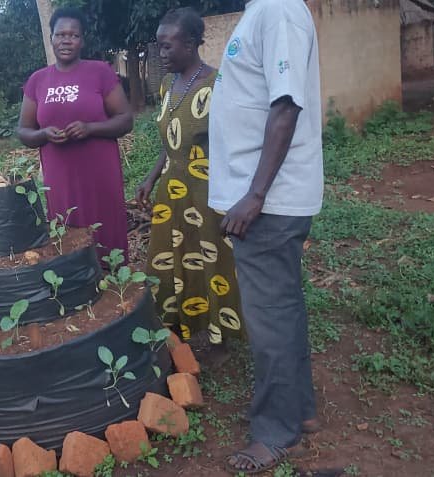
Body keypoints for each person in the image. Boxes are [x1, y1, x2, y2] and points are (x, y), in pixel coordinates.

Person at [207, 0, 324, 473]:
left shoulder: (278, 11)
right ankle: (302, 411)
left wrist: (254, 195)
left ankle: (277, 433)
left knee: (270, 319)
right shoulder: (262, 10)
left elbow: (286, 104)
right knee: (284, 310)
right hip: (263, 201)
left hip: (267, 205)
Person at [135, 7, 242, 365]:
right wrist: (151, 177)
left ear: (193, 43)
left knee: (212, 261)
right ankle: (176, 331)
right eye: (159, 46)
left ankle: (219, 341)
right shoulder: (168, 84)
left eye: (169, 46)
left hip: (209, 190)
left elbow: (235, 143)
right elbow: (171, 143)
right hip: (173, 189)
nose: (162, 54)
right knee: (169, 259)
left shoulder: (218, 85)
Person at [17, 6, 133, 257]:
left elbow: (125, 120)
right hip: (60, 179)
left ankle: (115, 284)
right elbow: (24, 131)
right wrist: (44, 134)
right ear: (51, 39)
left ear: (82, 40)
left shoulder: (99, 72)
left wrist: (90, 128)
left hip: (100, 175)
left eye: (73, 35)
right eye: (60, 35)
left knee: (106, 232)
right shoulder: (38, 80)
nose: (66, 40)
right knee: (67, 235)